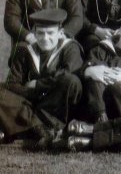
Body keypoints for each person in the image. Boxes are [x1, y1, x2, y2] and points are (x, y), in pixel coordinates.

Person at [0, 9, 83, 148]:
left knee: (71, 81)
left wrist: (37, 85)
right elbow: (12, 84)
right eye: (40, 33)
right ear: (34, 33)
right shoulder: (24, 49)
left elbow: (67, 76)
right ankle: (41, 129)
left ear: (60, 33)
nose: (45, 38)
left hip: (56, 105)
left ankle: (25, 128)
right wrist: (32, 93)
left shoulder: (70, 48)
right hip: (31, 102)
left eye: (50, 33)